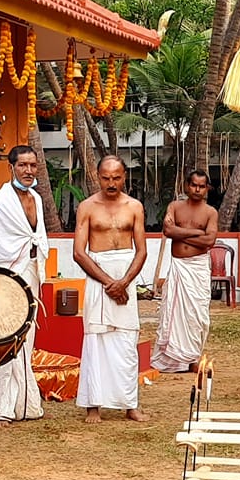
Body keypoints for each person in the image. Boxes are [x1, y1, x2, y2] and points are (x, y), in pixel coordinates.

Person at [0, 145, 48, 426]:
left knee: (27, 341)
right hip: (4, 277)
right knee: (4, 340)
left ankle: (27, 404)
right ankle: (0, 409)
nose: (28, 171)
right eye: (23, 166)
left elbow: (36, 238)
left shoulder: (37, 200)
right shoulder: (0, 202)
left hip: (30, 273)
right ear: (12, 168)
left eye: (32, 165)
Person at [74, 156, 147, 423]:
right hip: (98, 275)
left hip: (125, 276)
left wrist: (124, 282)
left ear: (124, 176)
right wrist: (109, 283)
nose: (111, 183)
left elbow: (141, 251)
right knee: (96, 339)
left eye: (116, 177)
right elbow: (79, 253)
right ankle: (93, 405)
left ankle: (130, 404)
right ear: (97, 177)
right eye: (106, 178)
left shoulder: (134, 206)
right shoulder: (87, 207)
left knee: (127, 341)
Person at [150, 169, 217, 374]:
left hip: (197, 269)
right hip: (179, 267)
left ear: (207, 188)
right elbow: (168, 231)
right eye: (194, 185)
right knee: (172, 312)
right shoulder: (175, 207)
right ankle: (171, 361)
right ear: (187, 186)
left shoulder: (210, 212)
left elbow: (210, 241)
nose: (197, 189)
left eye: (201, 186)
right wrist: (196, 232)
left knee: (196, 315)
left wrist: (180, 234)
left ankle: (192, 359)